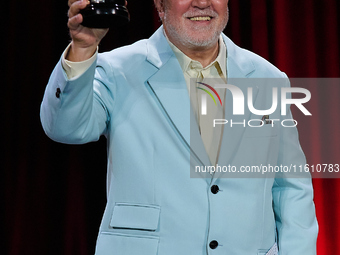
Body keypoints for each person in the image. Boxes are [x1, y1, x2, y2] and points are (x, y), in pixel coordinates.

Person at [40, 0, 318, 254]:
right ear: (160, 5)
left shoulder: (267, 77)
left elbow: (291, 187)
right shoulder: (116, 70)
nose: (202, 4)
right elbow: (65, 128)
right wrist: (83, 49)